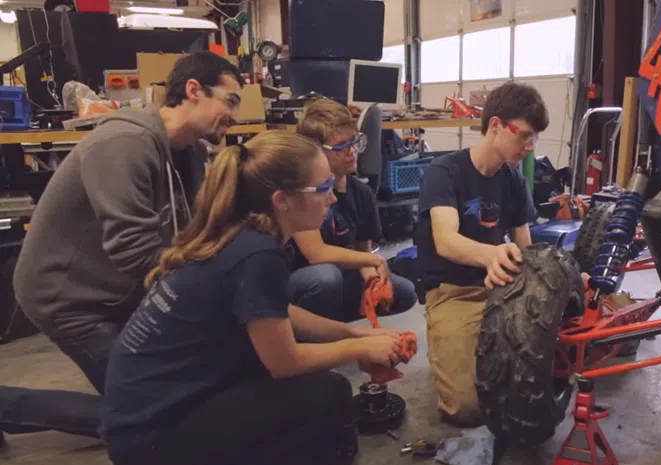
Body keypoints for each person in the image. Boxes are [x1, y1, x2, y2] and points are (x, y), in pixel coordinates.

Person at [102, 130, 401, 465]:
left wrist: (354, 333)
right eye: (323, 189)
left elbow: (277, 312)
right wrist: (360, 348)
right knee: (327, 395)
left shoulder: (242, 234)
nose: (332, 199)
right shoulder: (257, 254)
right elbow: (285, 362)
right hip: (154, 437)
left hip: (142, 412)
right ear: (282, 199)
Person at [0, 51, 243, 442]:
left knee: (195, 386)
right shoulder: (124, 142)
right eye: (229, 101)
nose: (233, 115)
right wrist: (206, 294)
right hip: (69, 298)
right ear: (194, 90)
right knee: (147, 412)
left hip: (123, 287)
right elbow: (133, 249)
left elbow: (196, 230)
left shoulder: (191, 152)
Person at [415, 82, 548, 425]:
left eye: (534, 139)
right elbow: (445, 240)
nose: (530, 148)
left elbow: (525, 246)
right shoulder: (444, 173)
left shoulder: (513, 180)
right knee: (467, 408)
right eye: (525, 136)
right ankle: (445, 340)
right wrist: (491, 255)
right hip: (453, 293)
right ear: (495, 126)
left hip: (501, 288)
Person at [286, 98, 417, 322]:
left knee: (404, 292)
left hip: (337, 275)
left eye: (355, 142)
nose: (352, 151)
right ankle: (304, 335)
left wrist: (371, 282)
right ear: (314, 149)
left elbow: (362, 253)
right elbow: (316, 254)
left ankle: (330, 327)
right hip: (301, 279)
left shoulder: (362, 192)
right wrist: (374, 262)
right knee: (325, 279)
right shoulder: (303, 189)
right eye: (340, 146)